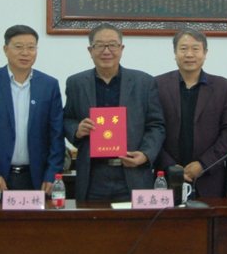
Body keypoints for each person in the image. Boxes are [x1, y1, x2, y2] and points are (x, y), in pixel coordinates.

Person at [63, 23, 165, 201]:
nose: (106, 51)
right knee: (93, 219)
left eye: (112, 45)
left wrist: (145, 154)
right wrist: (77, 130)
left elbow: (156, 125)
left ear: (121, 49)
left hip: (133, 172)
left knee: (134, 220)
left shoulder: (144, 82)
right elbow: (67, 119)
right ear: (90, 50)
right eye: (99, 45)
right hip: (93, 174)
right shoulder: (76, 83)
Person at [0, 25, 64, 194]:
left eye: (31, 47)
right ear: (6, 50)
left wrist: (52, 175)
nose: (25, 53)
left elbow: (56, 134)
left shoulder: (49, 85)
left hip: (37, 178)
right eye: (18, 47)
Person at [155, 29, 227, 197]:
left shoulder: (223, 87)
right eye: (183, 48)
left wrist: (203, 164)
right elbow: (151, 128)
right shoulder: (157, 85)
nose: (189, 54)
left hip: (209, 179)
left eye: (195, 49)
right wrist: (169, 165)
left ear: (205, 53)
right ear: (175, 53)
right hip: (166, 177)